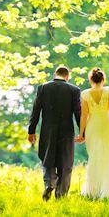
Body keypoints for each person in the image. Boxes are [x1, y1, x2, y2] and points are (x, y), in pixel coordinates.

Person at [27, 65, 81, 201]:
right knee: (66, 163)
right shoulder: (74, 90)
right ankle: (60, 196)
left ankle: (49, 183)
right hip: (67, 131)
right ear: (67, 76)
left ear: (54, 74)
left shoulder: (43, 88)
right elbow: (78, 113)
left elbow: (36, 111)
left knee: (47, 159)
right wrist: (82, 132)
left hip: (47, 131)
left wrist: (31, 131)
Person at [78, 68, 109, 201]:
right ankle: (107, 191)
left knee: (93, 157)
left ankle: (92, 191)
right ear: (103, 79)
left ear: (90, 79)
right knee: (106, 159)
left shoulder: (85, 94)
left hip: (92, 128)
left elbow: (84, 116)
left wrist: (81, 133)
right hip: (107, 127)